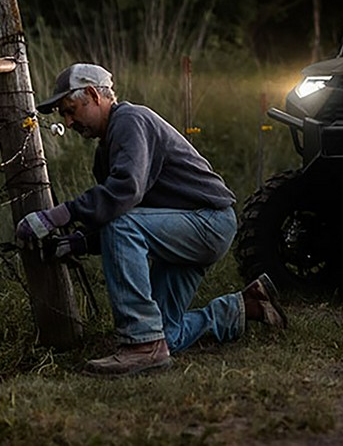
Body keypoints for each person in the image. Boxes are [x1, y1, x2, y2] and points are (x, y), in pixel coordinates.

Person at [15, 63, 287, 375]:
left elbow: (124, 194)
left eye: (72, 109)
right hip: (182, 229)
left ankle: (140, 345)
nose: (68, 120)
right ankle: (245, 306)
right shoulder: (105, 152)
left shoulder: (130, 121)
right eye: (64, 114)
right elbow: (123, 216)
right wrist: (77, 242)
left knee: (123, 229)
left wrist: (56, 215)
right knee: (166, 334)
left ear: (93, 94)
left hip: (207, 222)